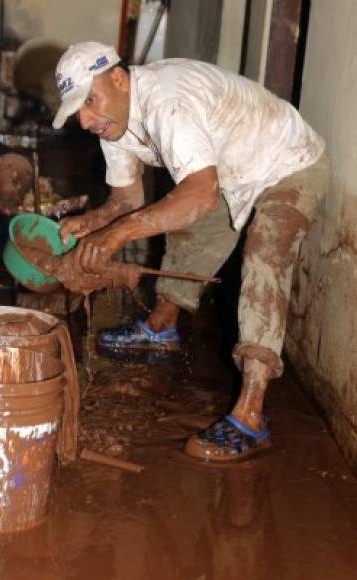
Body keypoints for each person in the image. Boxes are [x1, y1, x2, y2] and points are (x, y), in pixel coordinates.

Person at [52, 41, 328, 462]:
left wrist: (118, 234)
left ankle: (250, 416)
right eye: (78, 111)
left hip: (289, 163)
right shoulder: (113, 123)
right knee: (184, 226)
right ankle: (161, 328)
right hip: (231, 171)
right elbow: (126, 202)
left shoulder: (168, 100)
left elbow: (199, 194)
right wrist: (93, 224)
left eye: (90, 101)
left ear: (119, 79)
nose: (86, 119)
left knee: (264, 257)